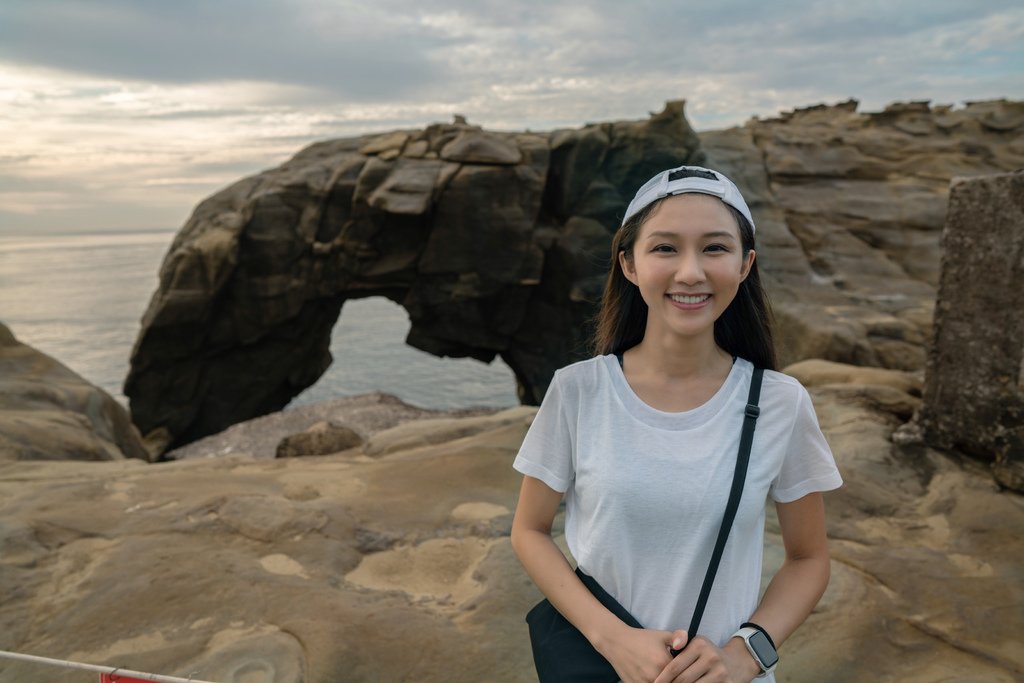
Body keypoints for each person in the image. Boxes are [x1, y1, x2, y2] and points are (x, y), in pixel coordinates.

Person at [510, 165, 843, 683]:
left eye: (715, 248)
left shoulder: (780, 402)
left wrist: (743, 654)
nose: (690, 272)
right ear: (629, 264)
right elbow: (529, 531)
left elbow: (808, 559)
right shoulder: (579, 390)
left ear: (745, 264)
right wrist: (612, 638)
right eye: (665, 248)